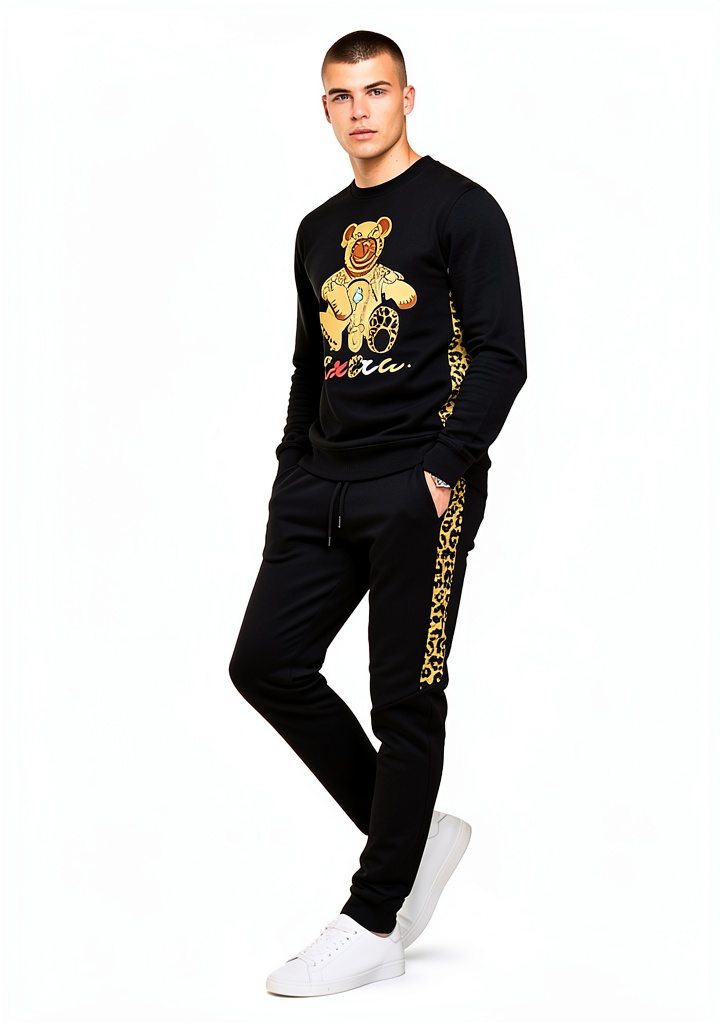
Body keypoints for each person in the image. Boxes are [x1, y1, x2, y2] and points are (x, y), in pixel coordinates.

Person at [228, 28, 526, 997]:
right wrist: (290, 470)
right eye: (341, 95)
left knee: (405, 697)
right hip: (320, 484)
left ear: (407, 97)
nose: (360, 110)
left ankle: (374, 918)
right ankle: (412, 835)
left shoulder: (462, 208)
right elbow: (309, 362)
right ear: (325, 108)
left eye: (376, 90)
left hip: (419, 484)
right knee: (266, 662)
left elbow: (502, 354)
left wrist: (442, 468)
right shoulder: (317, 228)